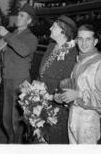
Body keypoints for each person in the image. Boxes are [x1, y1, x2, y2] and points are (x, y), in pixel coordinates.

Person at [59, 24, 101, 144]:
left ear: (95, 42)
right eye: (80, 39)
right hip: (73, 118)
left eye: (88, 39)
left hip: (88, 122)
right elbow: (73, 92)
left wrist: (78, 95)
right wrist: (63, 97)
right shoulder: (79, 61)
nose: (83, 43)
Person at [0, 3, 38, 143]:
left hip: (21, 82)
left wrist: (6, 35)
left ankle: (17, 144)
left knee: (17, 121)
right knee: (5, 119)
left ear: (29, 21)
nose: (18, 18)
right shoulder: (12, 34)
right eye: (18, 15)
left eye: (22, 16)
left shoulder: (31, 38)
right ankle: (11, 141)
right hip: (7, 80)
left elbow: (24, 51)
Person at [38, 15, 78, 144]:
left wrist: (52, 96)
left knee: (55, 141)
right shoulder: (51, 47)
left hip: (57, 105)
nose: (50, 28)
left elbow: (66, 81)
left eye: (53, 26)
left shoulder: (72, 52)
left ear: (63, 30)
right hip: (41, 100)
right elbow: (42, 74)